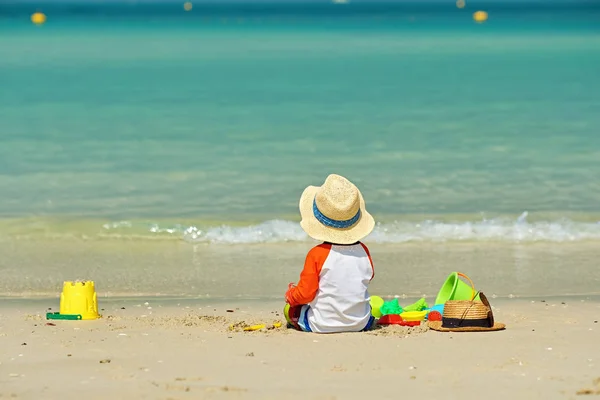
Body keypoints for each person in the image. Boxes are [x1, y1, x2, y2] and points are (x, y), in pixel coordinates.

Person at [284, 174, 376, 333]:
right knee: (370, 307)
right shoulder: (364, 251)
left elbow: (306, 294)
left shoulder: (317, 254)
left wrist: (291, 295)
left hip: (321, 325)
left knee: (290, 310)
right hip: (361, 323)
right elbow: (366, 277)